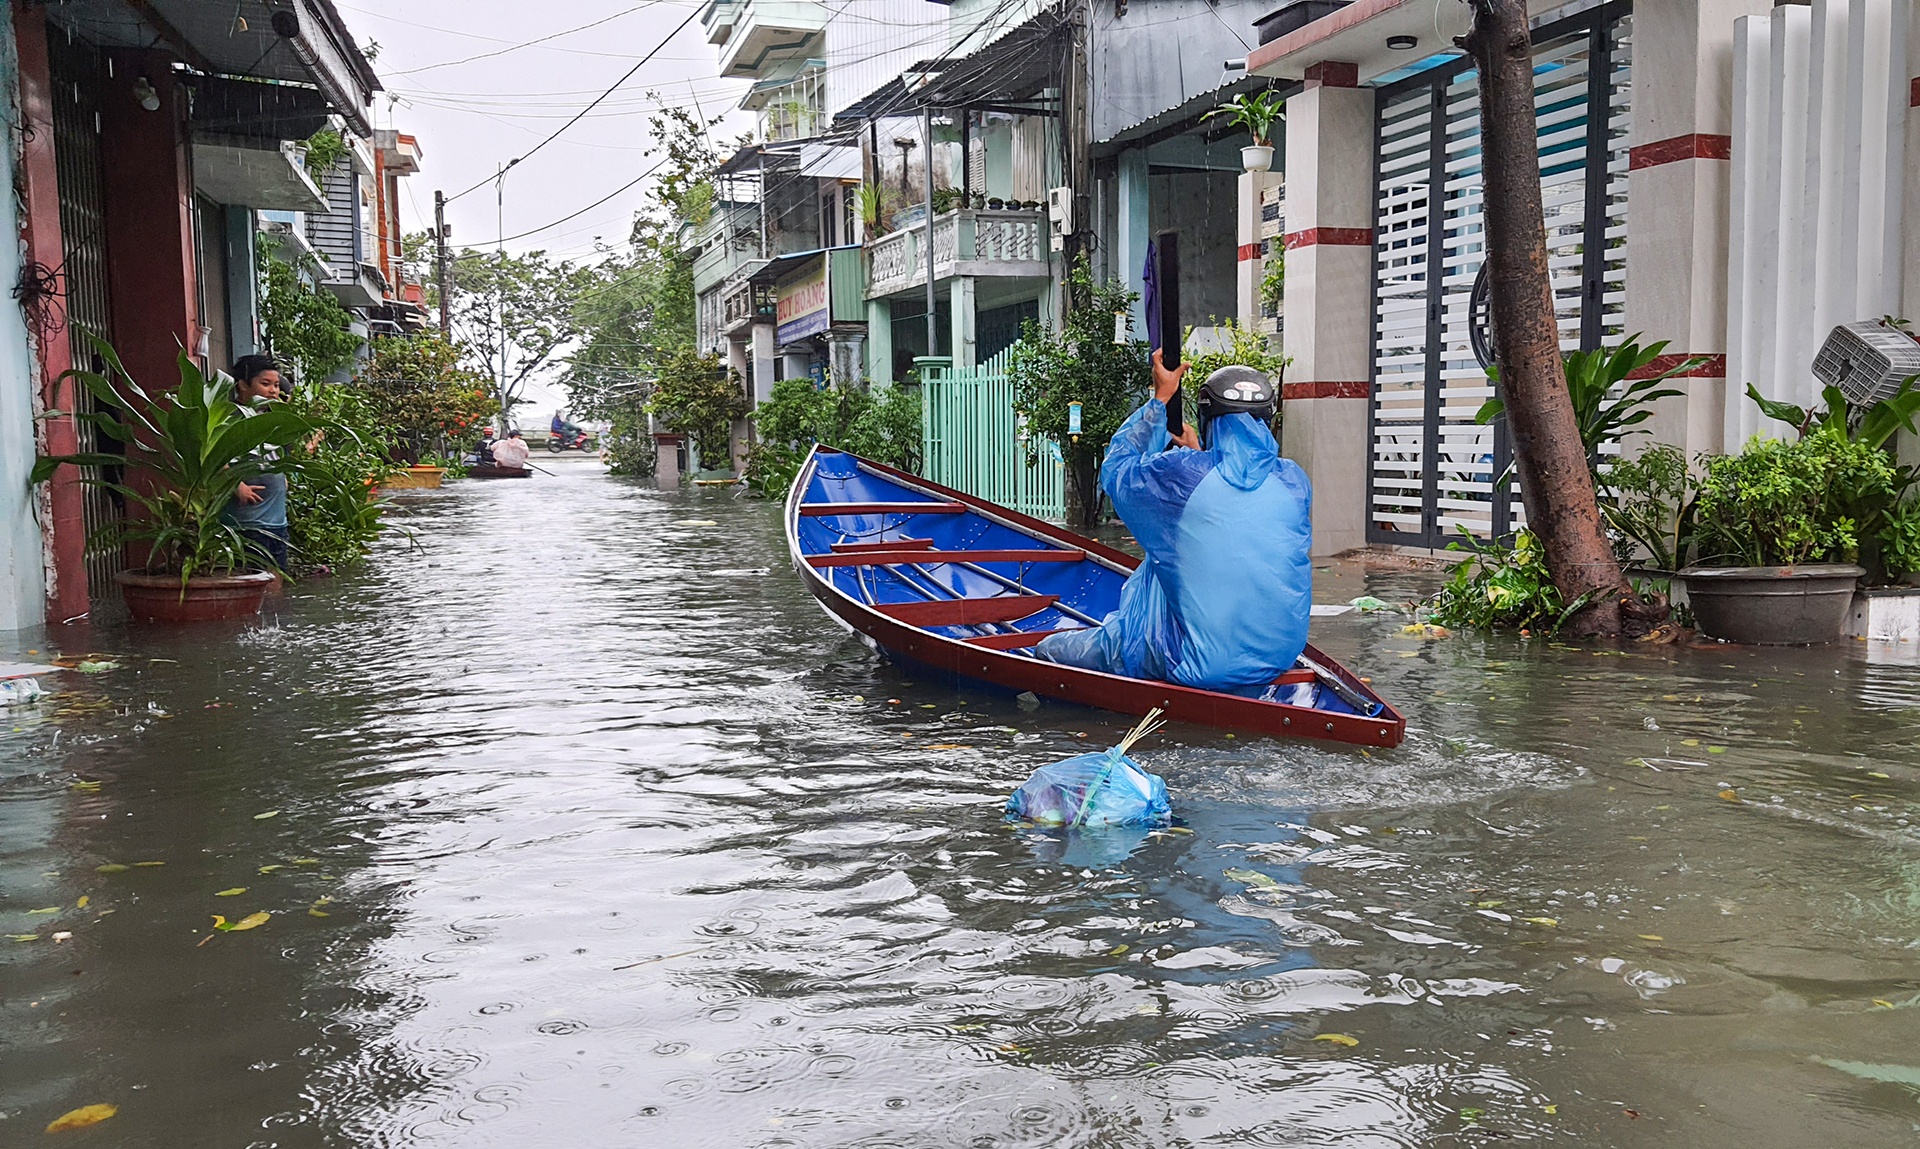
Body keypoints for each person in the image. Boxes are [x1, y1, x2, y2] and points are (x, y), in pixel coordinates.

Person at [1034, 350, 1312, 692]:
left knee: (1047, 649)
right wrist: (1198, 455)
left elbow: (1118, 470)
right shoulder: (1293, 481)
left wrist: (1160, 399)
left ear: (1209, 419)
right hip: (1279, 656)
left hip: (1197, 665)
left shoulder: (1181, 474)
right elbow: (1230, 508)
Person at [224, 354, 292, 572]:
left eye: (276, 385)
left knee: (277, 575)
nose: (273, 391)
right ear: (243, 385)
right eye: (265, 384)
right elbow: (212, 458)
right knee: (253, 576)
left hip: (277, 521)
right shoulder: (230, 418)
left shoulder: (272, 418)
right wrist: (236, 486)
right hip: (247, 523)